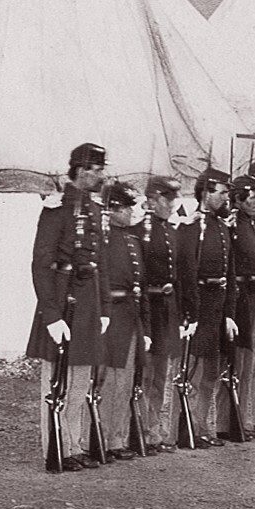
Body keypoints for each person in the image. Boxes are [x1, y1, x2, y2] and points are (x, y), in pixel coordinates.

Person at [29, 142, 109, 470]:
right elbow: (41, 262)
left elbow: (99, 262)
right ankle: (57, 448)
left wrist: (103, 308)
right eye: (96, 169)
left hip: (87, 303)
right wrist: (50, 314)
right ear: (80, 169)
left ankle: (74, 445)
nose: (102, 175)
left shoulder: (93, 208)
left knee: (80, 380)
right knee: (57, 382)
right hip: (64, 303)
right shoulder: (56, 208)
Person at [178, 170, 238, 445]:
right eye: (221, 192)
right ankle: (185, 429)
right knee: (192, 372)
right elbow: (186, 273)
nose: (227, 197)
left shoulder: (223, 228)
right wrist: (189, 312)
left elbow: (230, 273)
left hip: (217, 305)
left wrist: (228, 313)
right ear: (205, 193)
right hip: (199, 303)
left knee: (211, 373)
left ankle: (203, 427)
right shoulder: (192, 228)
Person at [100, 181, 150, 454]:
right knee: (110, 381)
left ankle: (118, 439)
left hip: (131, 316)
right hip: (112, 315)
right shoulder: (103, 238)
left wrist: (145, 326)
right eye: (128, 207)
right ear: (113, 208)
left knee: (126, 381)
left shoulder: (132, 240)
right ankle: (104, 438)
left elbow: (139, 287)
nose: (133, 212)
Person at [140, 174, 183, 451]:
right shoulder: (140, 230)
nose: (172, 204)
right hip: (148, 307)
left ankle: (153, 425)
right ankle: (142, 428)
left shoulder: (170, 230)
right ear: (152, 200)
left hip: (167, 307)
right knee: (144, 372)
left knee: (160, 373)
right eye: (167, 199)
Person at [229, 173, 255, 439]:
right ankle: (236, 421)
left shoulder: (251, 224)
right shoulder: (234, 226)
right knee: (240, 363)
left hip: (254, 296)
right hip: (241, 297)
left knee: (251, 361)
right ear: (239, 198)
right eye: (253, 197)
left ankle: (245, 417)